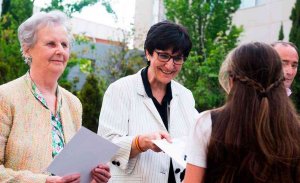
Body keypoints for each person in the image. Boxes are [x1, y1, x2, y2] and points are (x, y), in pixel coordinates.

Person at [0, 10, 111, 183]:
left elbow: (73, 170)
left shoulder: (73, 104)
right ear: (27, 49)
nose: (60, 50)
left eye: (64, 45)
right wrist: (44, 181)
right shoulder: (5, 97)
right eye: (51, 44)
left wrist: (91, 176)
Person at [97, 21, 198, 183]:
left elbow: (197, 140)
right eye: (164, 55)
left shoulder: (185, 95)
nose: (170, 65)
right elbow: (105, 146)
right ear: (148, 53)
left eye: (177, 58)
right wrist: (141, 142)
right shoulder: (120, 89)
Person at [184, 42, 300, 183]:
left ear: (232, 80)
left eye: (294, 65)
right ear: (279, 79)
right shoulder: (294, 127)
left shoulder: (207, 122)